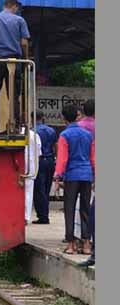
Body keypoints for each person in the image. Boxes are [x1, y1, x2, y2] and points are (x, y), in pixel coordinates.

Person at [0, 0, 31, 134]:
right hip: (14, 61)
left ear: (5, 5)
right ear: (14, 6)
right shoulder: (20, 20)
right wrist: (26, 59)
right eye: (17, 8)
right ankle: (14, 127)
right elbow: (24, 43)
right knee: (14, 96)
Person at [54, 105, 95, 255]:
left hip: (72, 176)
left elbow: (62, 159)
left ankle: (71, 244)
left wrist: (57, 176)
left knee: (69, 209)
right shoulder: (87, 135)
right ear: (77, 117)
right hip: (87, 175)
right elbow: (93, 157)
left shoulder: (65, 135)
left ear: (64, 118)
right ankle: (86, 244)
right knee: (85, 210)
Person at [77, 99, 95, 267]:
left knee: (87, 211)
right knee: (90, 211)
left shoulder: (78, 128)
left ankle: (85, 243)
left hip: (76, 172)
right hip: (90, 172)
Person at [32, 112, 57, 224]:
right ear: (43, 118)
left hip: (39, 161)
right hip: (50, 160)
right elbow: (55, 146)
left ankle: (43, 216)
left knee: (39, 189)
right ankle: (45, 213)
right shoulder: (51, 130)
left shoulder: (32, 131)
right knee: (47, 188)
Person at [24, 126, 41, 225]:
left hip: (18, 165)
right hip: (31, 167)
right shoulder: (35, 135)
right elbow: (39, 152)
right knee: (28, 193)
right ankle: (26, 217)